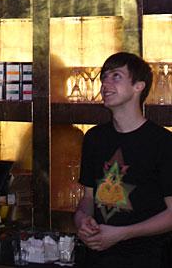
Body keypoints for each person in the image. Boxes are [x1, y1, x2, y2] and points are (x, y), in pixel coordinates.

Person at [74, 51, 172, 268]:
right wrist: (82, 220)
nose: (105, 84)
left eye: (116, 76)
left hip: (147, 258)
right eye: (104, 77)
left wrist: (122, 233)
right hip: (97, 256)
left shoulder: (163, 142)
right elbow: (88, 197)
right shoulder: (94, 138)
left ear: (139, 86)